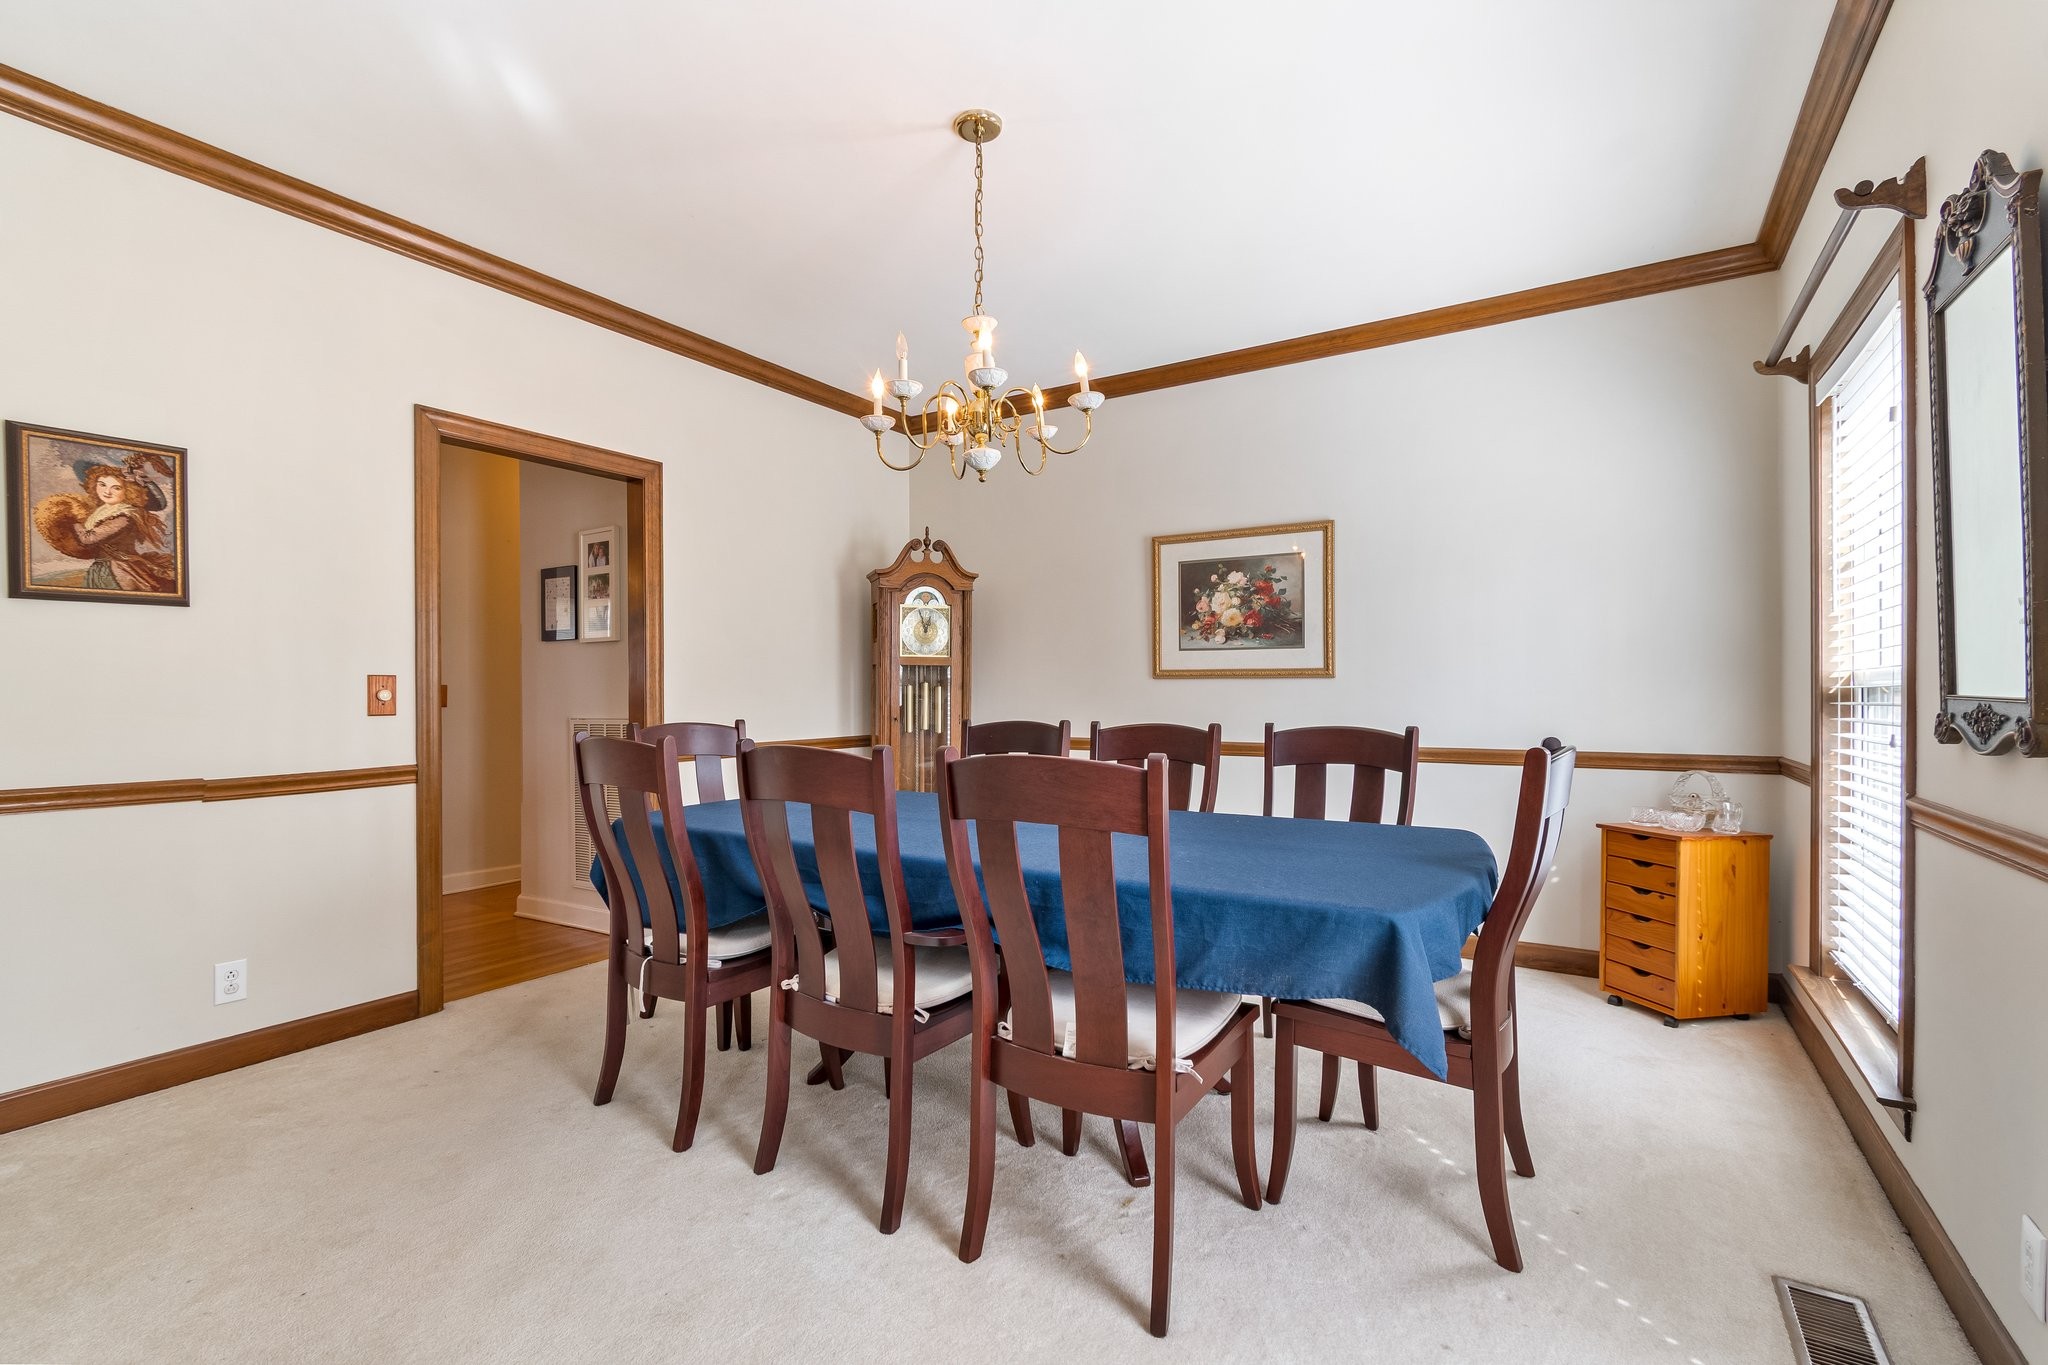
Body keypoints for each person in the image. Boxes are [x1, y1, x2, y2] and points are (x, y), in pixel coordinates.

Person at [32, 461, 177, 594]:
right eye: (102, 484)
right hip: (102, 568)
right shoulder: (101, 512)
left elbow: (88, 538)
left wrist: (72, 517)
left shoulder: (124, 517)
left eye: (116, 488)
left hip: (119, 571)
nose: (107, 491)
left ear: (129, 492)